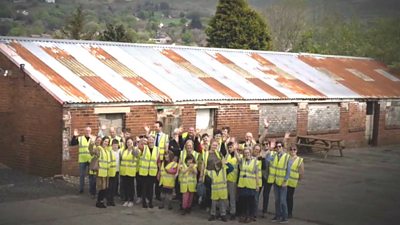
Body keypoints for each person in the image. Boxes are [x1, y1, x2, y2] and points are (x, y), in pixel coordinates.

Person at [267, 141, 291, 223]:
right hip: (276, 181)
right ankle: (277, 216)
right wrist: (270, 149)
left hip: (283, 182)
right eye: (277, 146)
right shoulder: (274, 155)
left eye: (280, 146)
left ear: (283, 147)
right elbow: (267, 160)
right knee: (277, 200)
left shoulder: (287, 157)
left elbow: (288, 170)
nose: (278, 148)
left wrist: (285, 180)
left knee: (282, 201)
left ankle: (285, 217)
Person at [145, 121, 169, 201]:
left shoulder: (165, 136)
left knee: (159, 177)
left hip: (161, 160)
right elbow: (148, 140)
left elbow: (166, 148)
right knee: (152, 178)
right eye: (154, 127)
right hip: (152, 159)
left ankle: (158, 195)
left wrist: (166, 158)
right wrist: (147, 131)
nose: (155, 128)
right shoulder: (153, 134)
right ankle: (151, 195)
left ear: (161, 127)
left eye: (156, 127)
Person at [236, 148, 260, 223]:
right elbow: (237, 157)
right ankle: (244, 215)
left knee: (250, 202)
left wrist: (257, 185)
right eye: (245, 153)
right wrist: (235, 149)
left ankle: (250, 216)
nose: (247, 154)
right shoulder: (242, 160)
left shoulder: (255, 161)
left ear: (250, 152)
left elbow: (256, 174)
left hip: (251, 184)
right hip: (243, 184)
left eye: (248, 152)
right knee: (243, 201)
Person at [70, 127, 95, 194]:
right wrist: (74, 136)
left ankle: (91, 190)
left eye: (89, 130)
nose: (87, 131)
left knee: (91, 175)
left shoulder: (93, 138)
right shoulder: (80, 138)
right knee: (82, 175)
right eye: (86, 130)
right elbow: (72, 143)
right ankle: (81, 189)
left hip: (90, 159)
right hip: (82, 159)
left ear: (91, 131)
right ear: (84, 131)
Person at [90, 136, 110, 208]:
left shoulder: (107, 150)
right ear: (102, 141)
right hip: (101, 171)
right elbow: (92, 152)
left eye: (107, 142)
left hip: (106, 172)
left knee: (105, 187)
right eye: (105, 141)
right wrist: (92, 143)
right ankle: (99, 202)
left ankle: (101, 201)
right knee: (101, 187)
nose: (106, 143)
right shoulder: (99, 148)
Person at [138, 135, 159, 208]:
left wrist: (159, 172)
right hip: (144, 172)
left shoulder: (157, 149)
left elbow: (158, 161)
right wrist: (142, 140)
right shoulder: (144, 148)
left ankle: (150, 202)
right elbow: (138, 147)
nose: (151, 141)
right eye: (149, 140)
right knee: (144, 188)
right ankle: (144, 202)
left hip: (152, 172)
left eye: (152, 140)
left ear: (154, 141)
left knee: (151, 188)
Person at [120, 137, 140, 207]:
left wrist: (135, 147)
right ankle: (126, 200)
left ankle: (131, 200)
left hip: (131, 172)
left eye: (130, 142)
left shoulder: (135, 150)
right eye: (128, 142)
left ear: (133, 143)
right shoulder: (124, 151)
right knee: (125, 187)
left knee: (131, 187)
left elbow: (137, 155)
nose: (129, 144)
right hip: (124, 171)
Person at [286, 145, 304, 218]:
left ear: (297, 150)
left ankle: (289, 213)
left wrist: (299, 179)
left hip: (292, 182)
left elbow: (301, 172)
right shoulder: (286, 157)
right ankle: (284, 211)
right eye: (291, 149)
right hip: (285, 180)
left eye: (294, 149)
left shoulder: (299, 160)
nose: (292, 151)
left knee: (289, 197)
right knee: (284, 197)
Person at [225, 141, 238, 220]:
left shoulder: (237, 156)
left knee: (232, 197)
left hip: (233, 179)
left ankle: (233, 212)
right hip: (226, 178)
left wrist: (236, 151)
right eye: (228, 147)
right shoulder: (227, 155)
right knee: (226, 197)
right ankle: (227, 210)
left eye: (231, 147)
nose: (230, 149)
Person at [106, 139, 118, 206]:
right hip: (110, 172)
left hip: (116, 172)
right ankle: (108, 200)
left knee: (114, 187)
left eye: (116, 145)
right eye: (114, 145)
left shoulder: (119, 152)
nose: (115, 146)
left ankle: (112, 200)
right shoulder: (109, 152)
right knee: (109, 187)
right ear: (112, 145)